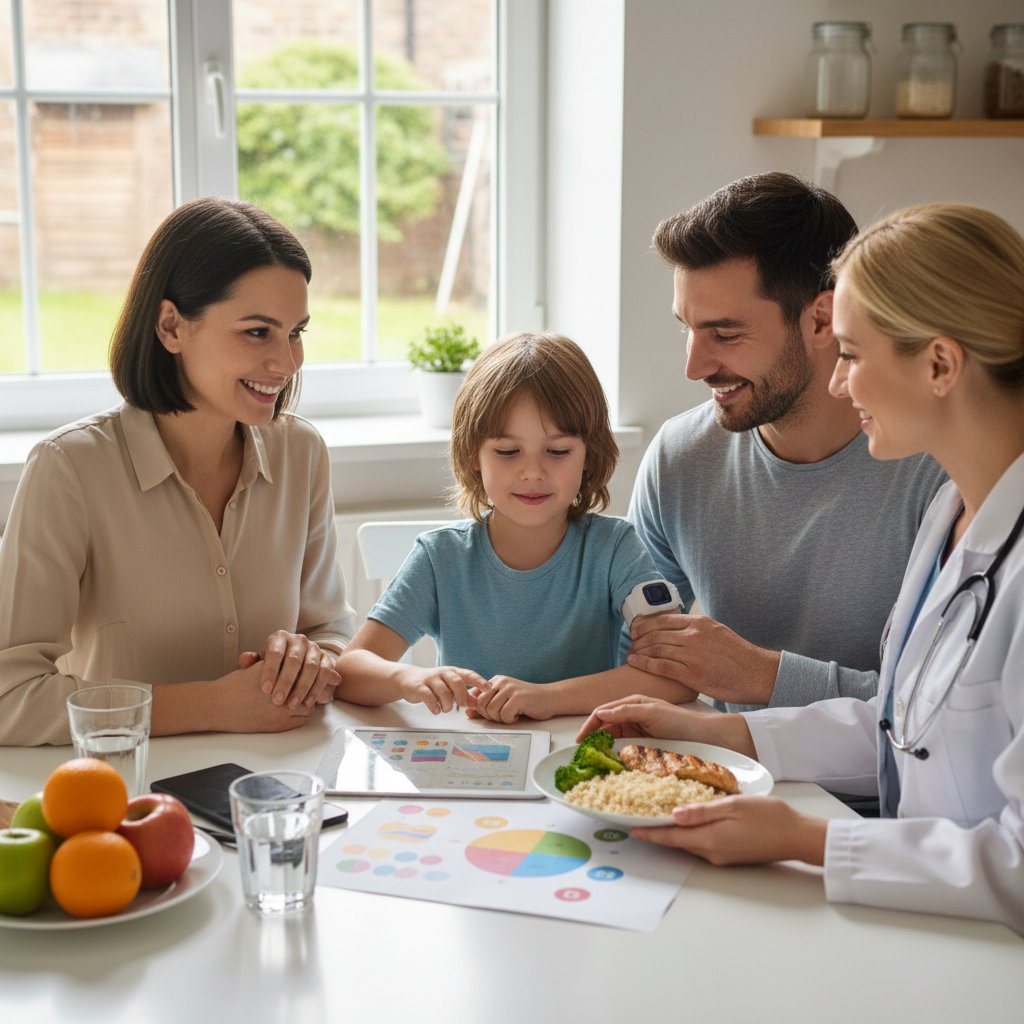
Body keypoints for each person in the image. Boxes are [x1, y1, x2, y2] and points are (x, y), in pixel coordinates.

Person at [577, 202, 1024, 933]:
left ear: (941, 366)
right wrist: (722, 737)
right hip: (923, 912)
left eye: (852, 355)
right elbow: (902, 727)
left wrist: (807, 839)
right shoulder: (956, 516)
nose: (840, 384)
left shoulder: (951, 505)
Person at [0, 197, 356, 745]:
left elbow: (329, 632)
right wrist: (214, 705)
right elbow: (8, 695)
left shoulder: (301, 452)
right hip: (126, 787)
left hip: (277, 777)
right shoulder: (69, 469)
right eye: (257, 332)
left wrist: (311, 661)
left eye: (296, 332)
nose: (287, 363)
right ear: (170, 327)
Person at [627, 172, 946, 714]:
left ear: (822, 319)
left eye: (726, 334)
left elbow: (942, 711)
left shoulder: (938, 472)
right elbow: (628, 658)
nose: (694, 367)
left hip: (879, 775)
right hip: (718, 763)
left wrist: (761, 675)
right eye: (688, 328)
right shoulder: (679, 458)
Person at [337, 332, 697, 721]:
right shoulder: (440, 557)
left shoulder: (614, 548)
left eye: (557, 451)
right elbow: (350, 671)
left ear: (589, 456)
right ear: (473, 456)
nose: (532, 472)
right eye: (508, 452)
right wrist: (409, 677)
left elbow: (677, 676)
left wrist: (546, 698)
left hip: (578, 753)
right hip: (472, 754)